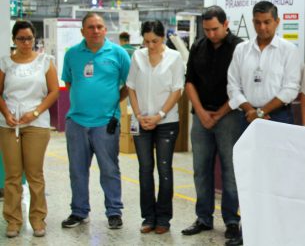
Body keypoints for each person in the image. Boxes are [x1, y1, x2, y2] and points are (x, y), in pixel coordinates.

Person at [61, 12, 131, 230]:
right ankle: (79, 211)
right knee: (77, 170)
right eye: (91, 27)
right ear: (82, 31)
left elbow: (129, 84)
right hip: (77, 123)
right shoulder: (72, 54)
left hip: (106, 123)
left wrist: (112, 104)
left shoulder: (118, 54)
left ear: (105, 30)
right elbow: (70, 82)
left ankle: (114, 212)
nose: (96, 30)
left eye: (100, 26)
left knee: (109, 169)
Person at [182, 6, 243, 244]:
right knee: (201, 169)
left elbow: (241, 85)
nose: (211, 34)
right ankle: (203, 218)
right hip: (201, 116)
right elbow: (189, 82)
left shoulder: (239, 47)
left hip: (228, 116)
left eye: (215, 29)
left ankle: (231, 220)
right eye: (206, 30)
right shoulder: (198, 46)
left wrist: (218, 114)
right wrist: (200, 112)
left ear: (226, 24)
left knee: (230, 170)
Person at [0, 20, 59, 238]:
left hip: (36, 124)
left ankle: (37, 219)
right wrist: (6, 114)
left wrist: (34, 113)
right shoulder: (5, 63)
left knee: (35, 174)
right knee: (12, 175)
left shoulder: (45, 61)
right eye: (21, 39)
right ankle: (13, 221)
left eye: (29, 39)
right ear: (14, 40)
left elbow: (54, 92)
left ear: (35, 40)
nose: (25, 43)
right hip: (9, 125)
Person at [126, 20, 184, 234]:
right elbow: (130, 87)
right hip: (141, 121)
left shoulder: (174, 57)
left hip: (166, 122)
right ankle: (148, 217)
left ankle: (164, 218)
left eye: (155, 41)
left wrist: (159, 115)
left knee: (164, 169)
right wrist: (138, 114)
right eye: (147, 41)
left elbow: (177, 90)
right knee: (144, 169)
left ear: (163, 38)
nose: (150, 46)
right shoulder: (137, 56)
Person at [227, 1, 301, 129]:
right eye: (257, 22)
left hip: (278, 116)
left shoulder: (289, 50)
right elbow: (233, 86)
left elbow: (291, 88)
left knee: (278, 150)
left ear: (277, 22)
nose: (261, 27)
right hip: (247, 116)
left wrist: (261, 112)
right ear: (253, 22)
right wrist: (251, 111)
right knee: (247, 150)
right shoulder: (241, 49)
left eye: (267, 22)